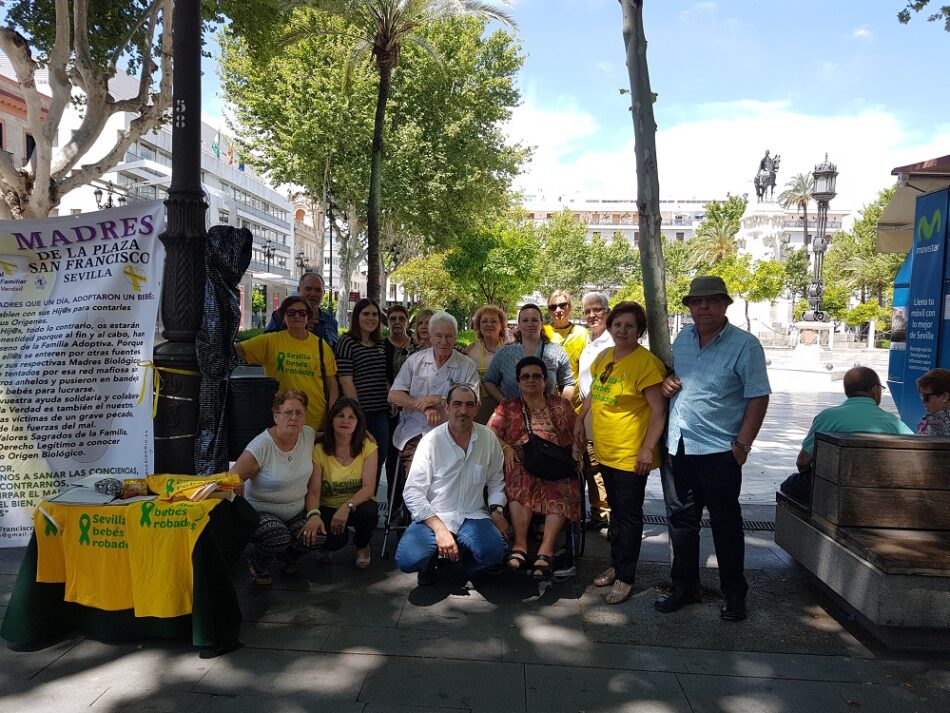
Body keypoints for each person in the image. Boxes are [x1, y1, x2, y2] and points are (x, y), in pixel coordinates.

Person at [657, 276, 770, 622]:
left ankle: (734, 594)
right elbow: (676, 382)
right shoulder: (682, 340)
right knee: (681, 523)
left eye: (710, 301)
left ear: (724, 304)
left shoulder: (745, 345)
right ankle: (684, 586)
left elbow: (758, 397)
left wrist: (742, 446)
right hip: (678, 446)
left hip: (720, 451)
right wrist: (667, 384)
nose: (702, 307)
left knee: (725, 524)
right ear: (689, 307)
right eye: (696, 302)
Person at [575, 301, 667, 604]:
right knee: (615, 515)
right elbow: (593, 395)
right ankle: (617, 565)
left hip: (630, 456)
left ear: (639, 330)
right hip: (605, 450)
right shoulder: (604, 356)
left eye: (629, 326)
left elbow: (658, 411)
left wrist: (646, 449)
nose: (622, 330)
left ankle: (627, 578)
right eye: (618, 325)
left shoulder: (645, 363)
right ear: (610, 327)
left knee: (628, 517)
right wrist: (579, 418)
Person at [395, 384, 510, 585]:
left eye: (469, 405)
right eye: (457, 404)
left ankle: (465, 564)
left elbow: (495, 481)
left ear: (476, 408)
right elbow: (413, 492)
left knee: (495, 552)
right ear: (446, 408)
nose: (463, 411)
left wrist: (497, 511)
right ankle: (429, 563)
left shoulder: (488, 438)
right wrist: (439, 529)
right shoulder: (430, 441)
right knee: (407, 559)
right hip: (434, 516)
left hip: (473, 515)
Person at [489, 357, 581, 580]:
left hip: (556, 463)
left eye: (536, 376)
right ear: (518, 381)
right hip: (521, 462)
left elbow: (578, 431)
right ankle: (520, 545)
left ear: (544, 380)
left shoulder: (561, 405)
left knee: (563, 483)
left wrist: (578, 450)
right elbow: (489, 431)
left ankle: (546, 550)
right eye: (525, 376)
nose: (531, 380)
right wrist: (506, 447)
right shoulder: (508, 406)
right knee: (520, 478)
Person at [230, 390, 325, 585]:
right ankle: (257, 563)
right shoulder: (261, 447)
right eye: (288, 412)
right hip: (261, 512)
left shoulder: (307, 434)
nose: (293, 417)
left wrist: (361, 433)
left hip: (295, 512)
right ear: (276, 415)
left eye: (299, 413)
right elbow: (232, 477)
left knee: (318, 535)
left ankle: (287, 557)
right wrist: (236, 484)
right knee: (277, 536)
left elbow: (331, 435)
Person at [780, 367, 913, 503]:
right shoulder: (893, 422)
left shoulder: (827, 417)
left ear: (847, 390)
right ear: (874, 389)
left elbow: (802, 462)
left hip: (833, 491)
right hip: (879, 491)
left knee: (790, 484)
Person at [388, 311, 480, 485]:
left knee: (448, 476)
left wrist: (439, 399)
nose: (443, 341)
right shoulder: (415, 361)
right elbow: (393, 394)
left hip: (454, 433)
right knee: (419, 475)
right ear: (430, 336)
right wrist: (423, 406)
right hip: (415, 432)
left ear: (455, 337)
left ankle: (444, 510)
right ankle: (417, 511)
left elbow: (473, 401)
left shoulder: (466, 365)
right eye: (438, 336)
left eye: (449, 336)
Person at [235, 296, 338, 432]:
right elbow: (237, 350)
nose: (297, 316)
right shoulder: (270, 341)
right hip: (281, 422)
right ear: (283, 317)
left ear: (308, 317)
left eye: (302, 313)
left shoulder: (321, 345)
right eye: (291, 312)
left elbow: (332, 385)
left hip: (315, 423)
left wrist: (331, 417)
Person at [311, 398, 380, 569]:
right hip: (327, 506)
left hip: (355, 505)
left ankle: (362, 545)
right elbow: (313, 491)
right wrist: (313, 514)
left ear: (358, 423)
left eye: (352, 417)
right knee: (335, 541)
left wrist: (346, 507)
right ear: (331, 419)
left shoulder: (368, 447)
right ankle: (326, 546)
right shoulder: (318, 450)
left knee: (369, 512)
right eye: (340, 415)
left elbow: (369, 487)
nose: (345, 420)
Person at [335, 298, 390, 489]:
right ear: (356, 316)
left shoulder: (381, 345)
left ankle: (370, 499)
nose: (371, 318)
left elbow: (384, 376)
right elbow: (345, 380)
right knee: (355, 457)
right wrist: (357, 416)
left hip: (380, 412)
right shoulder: (347, 342)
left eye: (374, 314)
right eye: (365, 314)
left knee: (379, 456)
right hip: (358, 414)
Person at [483, 303, 575, 405]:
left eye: (534, 320)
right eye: (525, 320)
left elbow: (568, 383)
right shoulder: (504, 353)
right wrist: (505, 403)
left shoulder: (557, 351)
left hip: (548, 416)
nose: (530, 324)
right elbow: (489, 381)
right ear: (519, 324)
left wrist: (560, 406)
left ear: (541, 323)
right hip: (513, 417)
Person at [577, 291, 614, 530]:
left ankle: (610, 519)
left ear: (607, 312)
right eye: (588, 311)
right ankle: (598, 515)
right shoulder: (589, 340)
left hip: (606, 417)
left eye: (597, 310)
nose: (592, 315)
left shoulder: (611, 342)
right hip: (588, 415)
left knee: (603, 470)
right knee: (591, 467)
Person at [384, 304, 416, 506]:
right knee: (392, 457)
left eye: (401, 319)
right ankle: (393, 505)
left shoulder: (416, 347)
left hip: (414, 409)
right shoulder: (382, 345)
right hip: (388, 408)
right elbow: (379, 374)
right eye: (393, 318)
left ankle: (411, 502)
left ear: (407, 321)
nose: (397, 322)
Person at [265, 272, 339, 347]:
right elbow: (267, 345)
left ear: (323, 293)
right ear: (298, 290)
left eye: (318, 290)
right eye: (308, 289)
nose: (313, 294)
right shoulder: (280, 315)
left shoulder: (331, 321)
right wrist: (294, 330)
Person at [463, 304, 508, 424]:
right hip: (480, 406)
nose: (489, 325)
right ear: (478, 326)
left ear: (501, 325)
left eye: (493, 321)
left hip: (506, 404)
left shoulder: (510, 348)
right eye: (484, 321)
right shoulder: (471, 349)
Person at [544, 290, 588, 405]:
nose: (558, 310)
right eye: (553, 307)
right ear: (549, 311)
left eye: (562, 305)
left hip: (575, 401)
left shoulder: (582, 333)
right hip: (547, 399)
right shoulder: (542, 332)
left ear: (569, 307)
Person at [917, 368, 950, 436]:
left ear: (945, 397)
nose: (923, 401)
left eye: (926, 396)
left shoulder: (933, 424)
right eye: (921, 395)